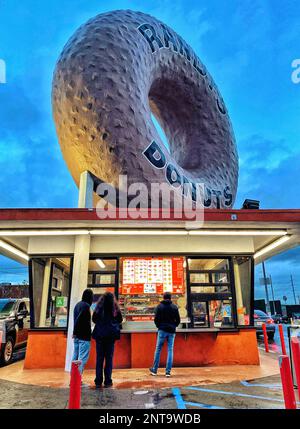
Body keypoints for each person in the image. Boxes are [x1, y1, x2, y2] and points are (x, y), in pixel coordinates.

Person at [92, 292, 123, 388]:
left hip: (100, 336)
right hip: (110, 336)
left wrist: (101, 324)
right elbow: (120, 319)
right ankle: (108, 381)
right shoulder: (115, 307)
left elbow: (94, 319)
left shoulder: (99, 306)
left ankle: (98, 381)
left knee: (99, 359)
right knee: (109, 359)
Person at [150, 292, 180, 377]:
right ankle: (168, 372)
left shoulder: (159, 307)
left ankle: (154, 370)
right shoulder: (174, 307)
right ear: (170, 298)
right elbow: (178, 320)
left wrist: (159, 326)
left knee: (158, 349)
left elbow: (156, 319)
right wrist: (174, 326)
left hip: (162, 330)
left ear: (163, 297)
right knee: (170, 350)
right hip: (171, 331)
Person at [72, 288, 94, 375]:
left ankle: (73, 378)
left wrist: (75, 333)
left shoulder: (78, 305)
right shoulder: (86, 306)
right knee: (81, 359)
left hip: (77, 337)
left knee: (75, 358)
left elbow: (76, 319)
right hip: (84, 336)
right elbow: (79, 319)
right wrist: (75, 331)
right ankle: (78, 380)